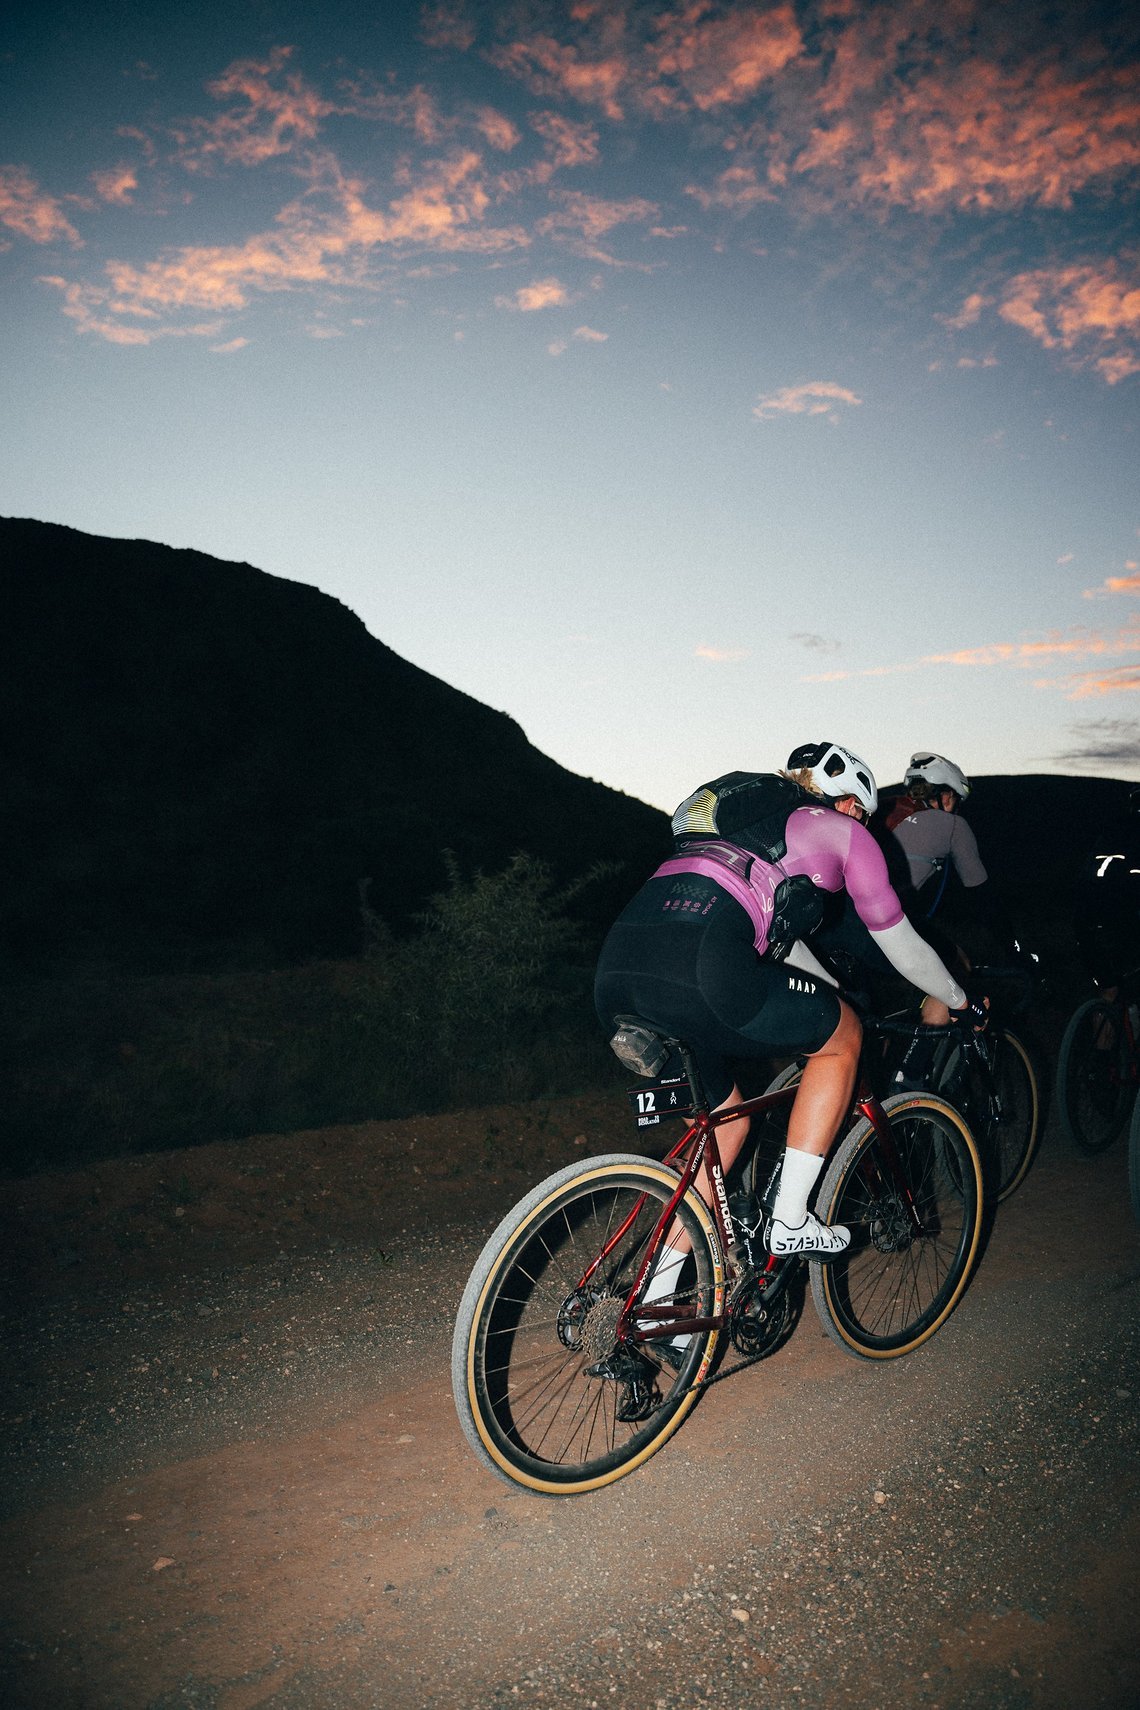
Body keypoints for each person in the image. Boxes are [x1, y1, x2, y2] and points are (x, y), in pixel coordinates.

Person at [595, 742, 985, 1270]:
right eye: (864, 817)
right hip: (705, 966)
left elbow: (782, 945)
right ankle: (792, 1220)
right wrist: (957, 999)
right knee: (843, 1041)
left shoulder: (744, 833)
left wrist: (832, 999)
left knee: (727, 1128)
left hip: (618, 969)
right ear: (851, 805)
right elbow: (903, 945)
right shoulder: (843, 831)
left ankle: (660, 1301)